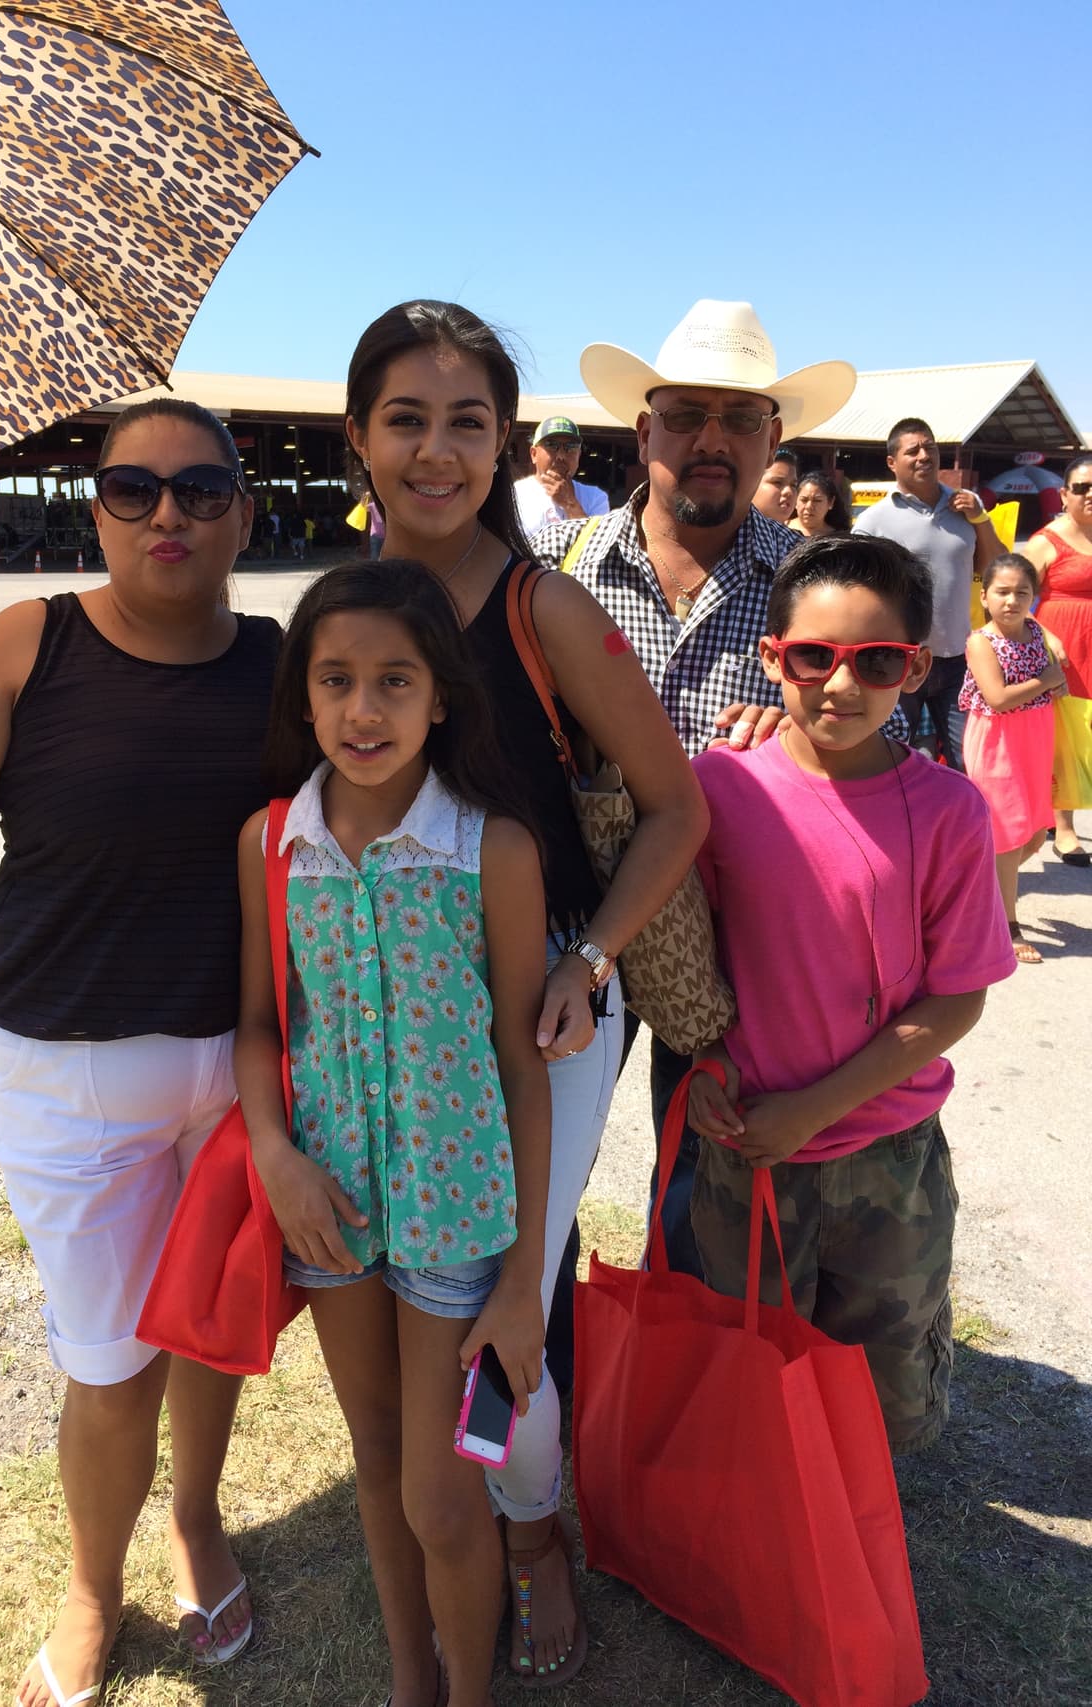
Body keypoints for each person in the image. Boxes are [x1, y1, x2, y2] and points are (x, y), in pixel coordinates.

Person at [0, 399, 279, 1707]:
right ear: (99, 514)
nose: (169, 514)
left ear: (244, 510)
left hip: (239, 1066)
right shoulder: (36, 638)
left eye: (200, 488)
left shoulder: (281, 660)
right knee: (106, 1355)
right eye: (134, 491)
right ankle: (93, 1584)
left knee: (206, 1333)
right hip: (67, 1071)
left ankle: (197, 1520)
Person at [342, 298, 707, 1688]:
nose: (438, 451)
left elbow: (674, 811)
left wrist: (592, 955)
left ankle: (533, 1522)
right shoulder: (329, 609)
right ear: (358, 435)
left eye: (469, 423)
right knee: (410, 1285)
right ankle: (461, 1508)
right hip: (381, 1016)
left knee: (509, 1294)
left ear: (508, 442)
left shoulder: (542, 600)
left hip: (540, 1007)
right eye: (408, 419)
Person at [235, 560, 552, 1707]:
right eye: (335, 681)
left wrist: (523, 1278)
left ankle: (469, 1691)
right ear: (304, 700)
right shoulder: (270, 845)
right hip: (327, 1203)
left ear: (441, 699)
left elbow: (524, 1069)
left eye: (392, 682)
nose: (362, 710)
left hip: (456, 1210)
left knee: (436, 1491)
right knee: (374, 1462)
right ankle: (410, 1680)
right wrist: (274, 1156)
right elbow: (259, 1026)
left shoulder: (491, 852)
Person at [530, 298, 857, 1276]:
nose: (710, 439)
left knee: (704, 1187)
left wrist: (803, 738)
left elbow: (861, 759)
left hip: (727, 943)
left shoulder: (815, 590)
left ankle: (675, 1382)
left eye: (739, 417)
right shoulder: (555, 569)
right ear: (642, 432)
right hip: (561, 924)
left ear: (774, 439)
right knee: (535, 1170)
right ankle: (537, 1365)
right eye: (684, 415)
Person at [688, 533, 1015, 1453]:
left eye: (875, 661)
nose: (840, 684)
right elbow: (688, 957)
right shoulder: (718, 786)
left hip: (887, 1158)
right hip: (746, 1142)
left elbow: (956, 1001)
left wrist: (814, 1110)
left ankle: (852, 1542)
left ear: (915, 670)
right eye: (812, 656)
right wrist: (709, 1063)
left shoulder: (950, 809)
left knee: (883, 1386)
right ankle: (761, 1534)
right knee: (749, 1366)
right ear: (771, 657)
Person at [852, 416, 1003, 771]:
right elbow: (855, 587)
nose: (924, 455)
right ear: (892, 463)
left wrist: (981, 519)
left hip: (957, 661)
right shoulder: (874, 521)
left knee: (967, 760)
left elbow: (995, 567)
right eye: (913, 450)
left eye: (930, 447)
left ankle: (962, 825)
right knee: (893, 756)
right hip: (900, 661)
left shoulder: (965, 509)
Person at [960, 554, 1065, 962]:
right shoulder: (981, 641)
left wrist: (1052, 682)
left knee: (1036, 833)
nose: (1011, 600)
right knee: (1006, 833)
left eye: (1022, 592)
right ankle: (1008, 924)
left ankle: (979, 886)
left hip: (1035, 741)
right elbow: (998, 698)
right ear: (985, 597)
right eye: (1002, 592)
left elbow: (1051, 679)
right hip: (997, 744)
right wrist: (1048, 680)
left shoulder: (1035, 632)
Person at [1020, 452, 1092, 865]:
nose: (1089, 495)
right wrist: (1047, 635)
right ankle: (1063, 827)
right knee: (1064, 739)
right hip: (1064, 648)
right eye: (1081, 488)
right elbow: (1017, 598)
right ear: (1064, 495)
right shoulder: (1047, 541)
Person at [512, 415, 610, 538]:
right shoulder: (514, 496)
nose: (561, 456)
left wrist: (570, 503)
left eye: (570, 447)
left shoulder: (596, 497)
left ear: (579, 455)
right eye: (552, 445)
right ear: (534, 454)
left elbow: (598, 548)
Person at [789, 469, 851, 538]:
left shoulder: (838, 538)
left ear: (830, 503)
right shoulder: (780, 530)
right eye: (804, 500)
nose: (809, 506)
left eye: (817, 500)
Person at [752, 447, 799, 523]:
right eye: (777, 482)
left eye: (793, 485)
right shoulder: (729, 531)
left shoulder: (793, 535)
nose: (789, 491)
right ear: (752, 484)